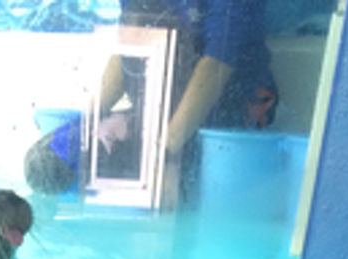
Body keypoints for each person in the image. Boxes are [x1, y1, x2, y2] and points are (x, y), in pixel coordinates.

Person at [25, 0, 277, 202]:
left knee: (180, 187)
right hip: (157, 101)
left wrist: (163, 153)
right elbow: (130, 45)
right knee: (47, 165)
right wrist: (91, 119)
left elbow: (218, 63)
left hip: (227, 102)